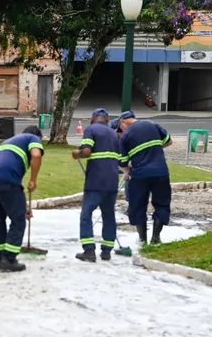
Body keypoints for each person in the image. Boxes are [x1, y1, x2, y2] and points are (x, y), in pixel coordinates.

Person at [0, 125, 44, 272]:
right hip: (5, 177)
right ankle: (9, 258)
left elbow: (13, 190)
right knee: (18, 219)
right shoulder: (33, 138)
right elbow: (36, 155)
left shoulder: (10, 142)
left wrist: (23, 206)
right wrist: (34, 179)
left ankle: (0, 256)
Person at [118, 111, 173, 245]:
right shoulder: (152, 124)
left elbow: (122, 161)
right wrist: (153, 150)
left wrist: (126, 172)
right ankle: (155, 238)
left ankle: (142, 239)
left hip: (139, 175)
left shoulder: (126, 136)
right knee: (162, 204)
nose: (121, 130)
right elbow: (168, 141)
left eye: (120, 127)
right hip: (161, 173)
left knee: (137, 206)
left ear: (123, 122)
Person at [73, 109, 121, 262]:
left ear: (93, 119)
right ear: (107, 120)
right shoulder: (114, 134)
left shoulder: (91, 129)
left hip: (96, 180)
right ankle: (106, 251)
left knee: (86, 213)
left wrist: (77, 154)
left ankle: (89, 250)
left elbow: (86, 151)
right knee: (109, 215)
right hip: (112, 181)